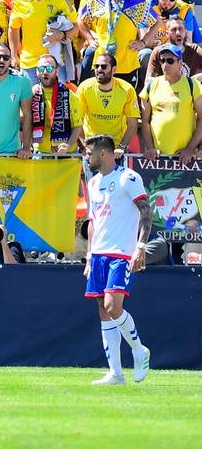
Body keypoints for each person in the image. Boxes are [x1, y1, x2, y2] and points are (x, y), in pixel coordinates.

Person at [82, 133, 152, 386]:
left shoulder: (128, 178)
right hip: (99, 253)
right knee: (103, 310)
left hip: (121, 252)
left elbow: (146, 211)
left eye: (89, 153)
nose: (85, 157)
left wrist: (140, 247)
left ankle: (138, 349)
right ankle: (116, 373)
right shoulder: (92, 183)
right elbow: (92, 222)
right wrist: (89, 256)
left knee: (113, 306)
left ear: (103, 154)